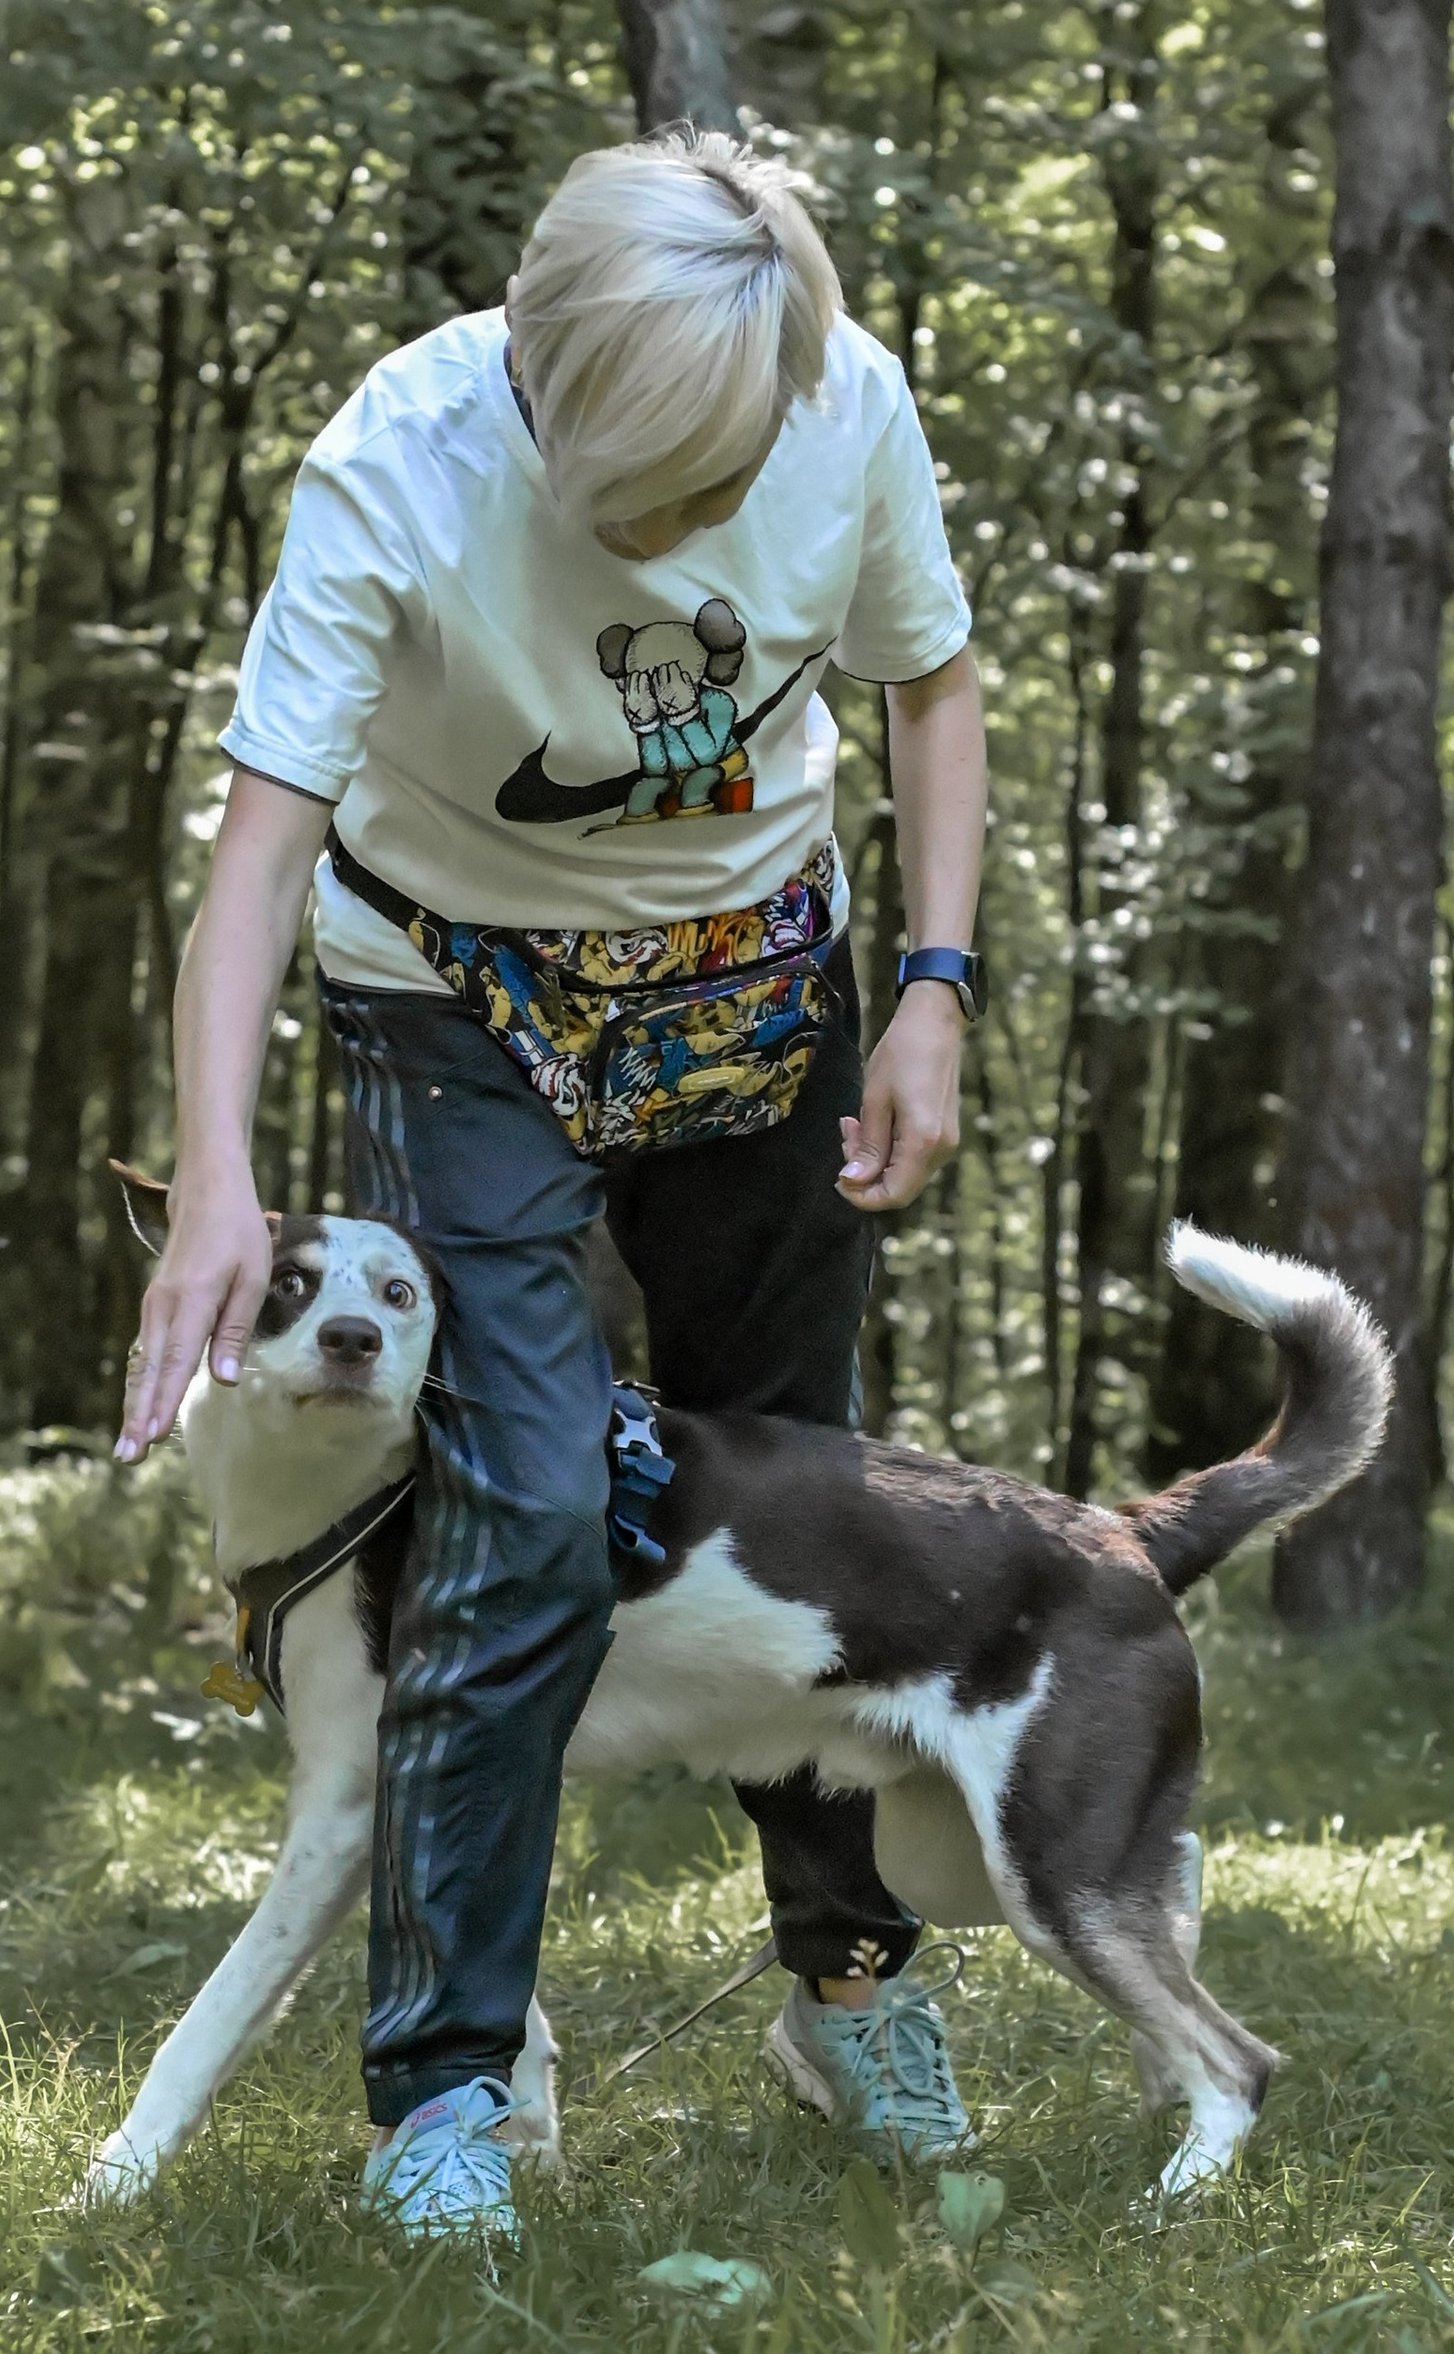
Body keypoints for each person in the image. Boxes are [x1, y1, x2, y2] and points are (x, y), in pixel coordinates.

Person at [120, 130, 989, 2244]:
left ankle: (845, 1978)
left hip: (754, 973)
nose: (687, 526)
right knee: (513, 1502)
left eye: (722, 480)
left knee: (799, 1489)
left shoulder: (845, 398)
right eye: (646, 490)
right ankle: (446, 2092)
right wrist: (220, 1177)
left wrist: (938, 987)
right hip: (453, 990)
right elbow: (255, 852)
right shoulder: (395, 467)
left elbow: (927, 678)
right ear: (545, 384)